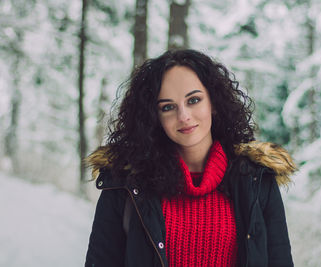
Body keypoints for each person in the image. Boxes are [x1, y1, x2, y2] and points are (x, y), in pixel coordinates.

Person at [85, 49, 296, 267]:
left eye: (193, 100)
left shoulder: (257, 179)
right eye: (168, 107)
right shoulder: (124, 182)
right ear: (154, 117)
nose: (183, 116)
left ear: (213, 103)